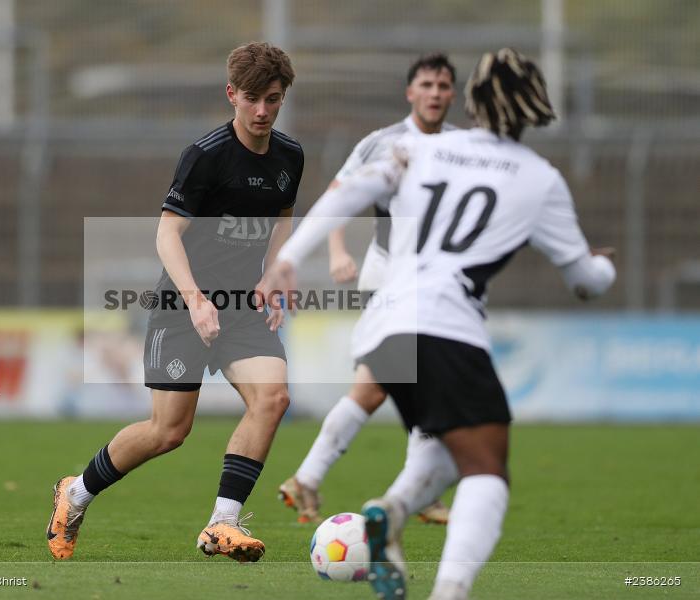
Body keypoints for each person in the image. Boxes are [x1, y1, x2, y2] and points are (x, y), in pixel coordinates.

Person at [261, 49, 616, 600]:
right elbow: (587, 282)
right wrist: (603, 264)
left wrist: (289, 259)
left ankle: (392, 510)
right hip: (448, 327)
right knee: (487, 472)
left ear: (470, 98)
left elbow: (347, 191)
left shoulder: (427, 149)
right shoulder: (540, 178)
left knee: (441, 444)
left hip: (384, 323)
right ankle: (449, 591)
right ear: (535, 107)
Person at [46, 42, 303, 563]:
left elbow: (282, 217)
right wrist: (196, 300)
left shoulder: (289, 157)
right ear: (231, 94)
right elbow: (167, 236)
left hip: (241, 307)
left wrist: (275, 272)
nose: (261, 111)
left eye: (272, 100)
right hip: (181, 304)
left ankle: (222, 525)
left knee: (273, 399)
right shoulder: (205, 156)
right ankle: (75, 492)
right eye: (252, 98)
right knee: (169, 431)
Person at [278, 53, 457, 526]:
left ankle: (410, 489)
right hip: (392, 279)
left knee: (408, 387)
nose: (435, 92)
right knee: (392, 385)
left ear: (452, 94)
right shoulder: (384, 143)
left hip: (435, 286)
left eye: (443, 85)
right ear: (410, 93)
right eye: (427, 84)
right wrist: (337, 249)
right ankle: (315, 478)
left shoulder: (463, 147)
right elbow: (340, 194)